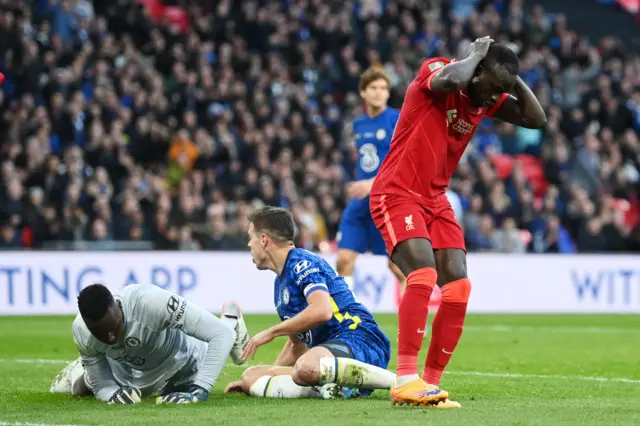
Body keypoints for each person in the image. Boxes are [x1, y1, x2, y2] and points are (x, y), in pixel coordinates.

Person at [369, 38, 547, 407]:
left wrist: (511, 81)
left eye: (502, 91)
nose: (493, 97)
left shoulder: (484, 96)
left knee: (459, 288)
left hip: (436, 199)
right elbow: (450, 81)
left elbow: (536, 119)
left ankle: (429, 385)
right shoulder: (438, 71)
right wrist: (475, 56)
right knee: (423, 273)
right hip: (397, 192)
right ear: (476, 69)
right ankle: (405, 378)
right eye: (492, 87)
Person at [224, 206, 408, 402]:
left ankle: (399, 382)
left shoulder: (302, 263)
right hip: (325, 355)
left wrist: (271, 332)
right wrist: (266, 376)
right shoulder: (281, 283)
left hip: (360, 338)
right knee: (251, 376)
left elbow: (322, 311)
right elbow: (297, 345)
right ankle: (334, 387)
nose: (249, 244)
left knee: (306, 368)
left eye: (250, 237)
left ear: (263, 239)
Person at [50, 283, 251, 404]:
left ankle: (231, 319)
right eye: (102, 333)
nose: (111, 338)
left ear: (118, 307)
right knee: (78, 390)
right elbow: (103, 385)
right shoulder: (81, 331)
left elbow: (220, 335)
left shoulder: (150, 302)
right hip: (130, 372)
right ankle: (79, 370)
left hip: (183, 361)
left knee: (221, 338)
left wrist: (199, 391)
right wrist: (111, 394)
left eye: (115, 328)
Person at [336, 67, 406, 290]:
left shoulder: (397, 120)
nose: (379, 93)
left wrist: (372, 183)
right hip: (361, 204)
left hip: (387, 202)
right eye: (373, 88)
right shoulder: (358, 124)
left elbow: (405, 163)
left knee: (398, 266)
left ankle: (414, 322)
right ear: (363, 93)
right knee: (344, 261)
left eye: (383, 88)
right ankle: (346, 321)